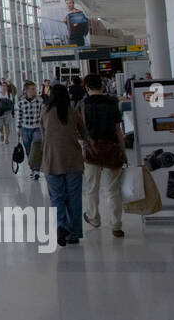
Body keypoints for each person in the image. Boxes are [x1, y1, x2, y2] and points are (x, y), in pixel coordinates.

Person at [41, 83, 88, 246]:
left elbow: (43, 134)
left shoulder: (45, 113)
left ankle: (61, 226)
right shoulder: (73, 113)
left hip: (52, 161)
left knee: (56, 197)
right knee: (74, 198)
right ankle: (74, 233)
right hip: (73, 161)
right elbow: (84, 134)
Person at [81, 73, 127, 238]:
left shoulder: (83, 105)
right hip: (111, 149)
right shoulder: (112, 103)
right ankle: (116, 225)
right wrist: (123, 151)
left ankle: (94, 218)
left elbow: (82, 131)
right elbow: (118, 130)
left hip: (92, 152)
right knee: (113, 189)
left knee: (92, 188)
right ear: (101, 86)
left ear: (87, 87)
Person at [16, 81, 43, 180]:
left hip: (37, 128)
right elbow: (19, 116)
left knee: (36, 147)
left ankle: (36, 169)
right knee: (28, 150)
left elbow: (43, 114)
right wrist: (18, 129)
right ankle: (33, 169)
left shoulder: (40, 100)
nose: (34, 91)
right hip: (25, 128)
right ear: (25, 91)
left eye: (34, 89)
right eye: (32, 89)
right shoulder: (21, 102)